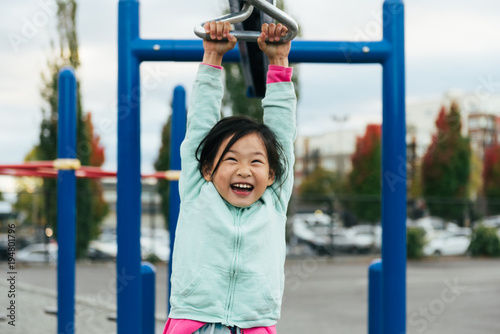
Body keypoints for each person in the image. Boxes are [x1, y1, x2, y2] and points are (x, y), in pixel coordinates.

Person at [163, 20, 296, 334]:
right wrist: (212, 57)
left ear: (272, 173)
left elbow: (282, 133)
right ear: (208, 169)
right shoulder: (199, 190)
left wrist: (278, 61)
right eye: (231, 159)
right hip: (195, 321)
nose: (244, 170)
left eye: (256, 162)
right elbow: (199, 125)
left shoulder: (273, 200)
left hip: (253, 325)